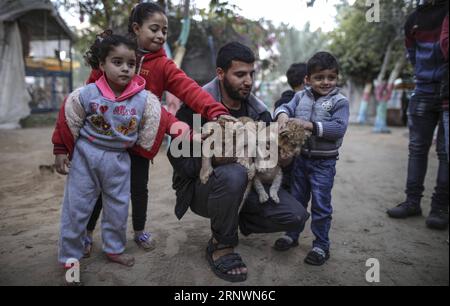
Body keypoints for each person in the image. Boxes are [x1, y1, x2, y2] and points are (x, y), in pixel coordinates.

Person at [84, 2, 231, 254]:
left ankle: (139, 232)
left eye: (164, 30)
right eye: (154, 29)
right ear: (136, 28)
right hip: (106, 140)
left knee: (139, 188)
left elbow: (189, 89)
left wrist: (215, 111)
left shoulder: (163, 65)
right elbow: (89, 91)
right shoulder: (114, 55)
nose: (160, 35)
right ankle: (87, 233)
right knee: (100, 189)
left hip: (140, 140)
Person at [168, 42, 310, 283]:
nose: (248, 81)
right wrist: (217, 156)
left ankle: (230, 219)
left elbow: (269, 161)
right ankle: (221, 244)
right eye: (240, 74)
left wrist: (283, 159)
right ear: (221, 74)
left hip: (248, 186)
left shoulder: (259, 112)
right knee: (234, 172)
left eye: (251, 74)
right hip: (201, 188)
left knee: (295, 215)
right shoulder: (195, 106)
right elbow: (178, 157)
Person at [52, 33, 189, 269]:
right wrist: (60, 149)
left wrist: (189, 133)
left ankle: (114, 249)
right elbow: (68, 118)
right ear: (102, 64)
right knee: (76, 208)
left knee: (117, 208)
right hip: (86, 157)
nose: (125, 69)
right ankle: (70, 258)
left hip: (118, 160)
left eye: (131, 63)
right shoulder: (87, 94)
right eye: (117, 62)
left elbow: (162, 118)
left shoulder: (143, 99)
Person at [274, 51, 350, 266]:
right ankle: (292, 235)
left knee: (320, 205)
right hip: (300, 160)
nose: (326, 82)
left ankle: (321, 245)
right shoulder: (300, 96)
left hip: (323, 164)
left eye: (331, 77)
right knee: (297, 200)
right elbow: (285, 107)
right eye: (319, 77)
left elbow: (338, 128)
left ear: (337, 78)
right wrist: (282, 115)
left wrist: (310, 125)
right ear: (307, 79)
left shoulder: (339, 101)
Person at [387, 0, 449, 230]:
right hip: (422, 90)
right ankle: (412, 202)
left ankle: (440, 207)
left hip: (447, 89)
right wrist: (423, 76)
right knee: (417, 149)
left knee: (445, 152)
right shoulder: (413, 20)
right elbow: (412, 54)